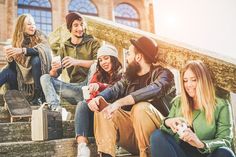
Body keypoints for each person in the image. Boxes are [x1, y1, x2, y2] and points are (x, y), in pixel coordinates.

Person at [88, 36, 176, 157]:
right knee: (103, 108)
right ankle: (106, 154)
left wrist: (119, 103)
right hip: (134, 136)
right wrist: (98, 98)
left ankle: (146, 154)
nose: (127, 59)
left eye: (129, 54)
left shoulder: (164, 74)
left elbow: (155, 88)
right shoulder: (129, 77)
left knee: (140, 108)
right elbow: (114, 89)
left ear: (138, 57)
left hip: (158, 137)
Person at [150, 60, 235, 157]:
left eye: (193, 80)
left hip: (207, 154)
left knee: (225, 153)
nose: (188, 85)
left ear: (203, 80)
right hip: (181, 153)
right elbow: (166, 134)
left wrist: (200, 144)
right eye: (185, 80)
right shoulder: (179, 102)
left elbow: (225, 140)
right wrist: (168, 122)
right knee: (157, 136)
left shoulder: (221, 105)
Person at [40, 12, 100, 110]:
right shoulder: (64, 47)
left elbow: (99, 64)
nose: (80, 29)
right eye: (76, 25)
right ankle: (55, 109)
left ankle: (88, 101)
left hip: (89, 87)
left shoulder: (93, 43)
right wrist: (54, 69)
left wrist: (76, 62)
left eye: (81, 25)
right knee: (45, 77)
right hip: (73, 89)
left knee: (95, 65)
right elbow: (54, 74)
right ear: (70, 28)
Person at [75, 44, 122, 157]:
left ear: (113, 58)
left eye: (106, 58)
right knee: (82, 104)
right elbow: (89, 96)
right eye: (100, 60)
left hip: (114, 120)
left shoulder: (123, 75)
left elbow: (116, 90)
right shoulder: (98, 75)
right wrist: (91, 98)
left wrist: (100, 86)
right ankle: (82, 147)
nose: (103, 62)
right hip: (96, 119)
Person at [0, 14, 51, 105]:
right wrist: (10, 58)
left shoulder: (40, 37)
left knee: (36, 59)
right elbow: (14, 70)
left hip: (36, 83)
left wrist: (23, 50)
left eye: (34, 24)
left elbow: (45, 51)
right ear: (21, 27)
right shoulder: (15, 42)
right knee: (7, 72)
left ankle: (38, 96)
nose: (33, 27)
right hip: (20, 84)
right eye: (29, 24)